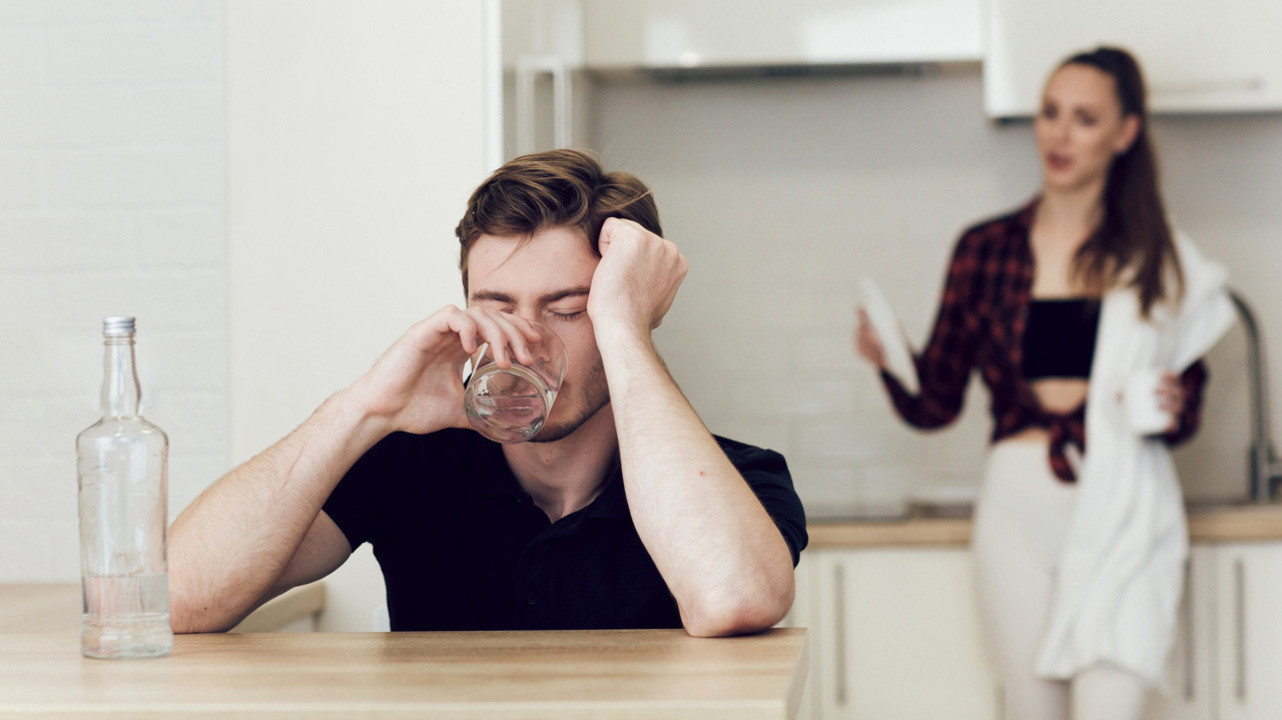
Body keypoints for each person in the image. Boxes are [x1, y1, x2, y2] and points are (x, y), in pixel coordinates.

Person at [169, 148, 806, 637]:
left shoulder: (742, 480)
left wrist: (623, 328)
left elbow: (732, 598)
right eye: (496, 308)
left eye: (568, 309)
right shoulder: (410, 463)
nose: (522, 344)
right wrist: (366, 406)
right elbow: (172, 597)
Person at [855, 47, 1234, 720]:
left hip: (1123, 503)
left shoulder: (1158, 258)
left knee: (1111, 706)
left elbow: (1185, 403)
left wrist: (1175, 404)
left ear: (1126, 133)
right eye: (1050, 113)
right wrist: (892, 361)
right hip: (1016, 505)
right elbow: (938, 401)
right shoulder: (986, 248)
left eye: (1084, 119)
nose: (1059, 134)